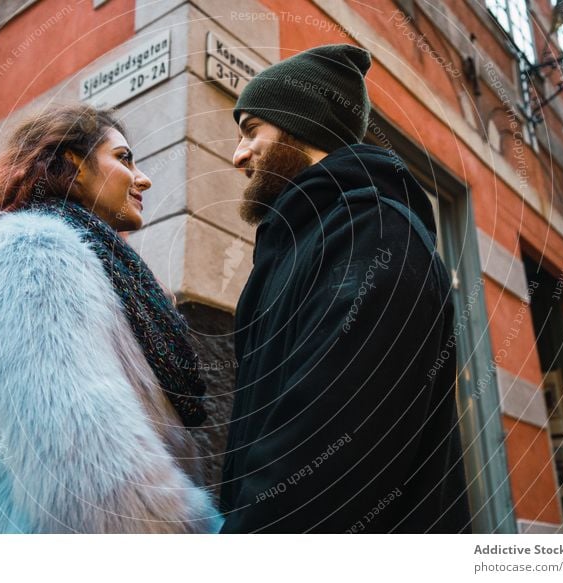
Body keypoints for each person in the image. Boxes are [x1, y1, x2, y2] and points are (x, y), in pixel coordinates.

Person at [0, 103, 221, 533]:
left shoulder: (96, 265)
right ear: (72, 166)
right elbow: (91, 471)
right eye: (123, 158)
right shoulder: (30, 253)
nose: (144, 178)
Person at [219, 44, 472, 533]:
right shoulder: (300, 244)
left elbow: (325, 444)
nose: (237, 155)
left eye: (251, 131)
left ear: (302, 125)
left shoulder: (372, 234)